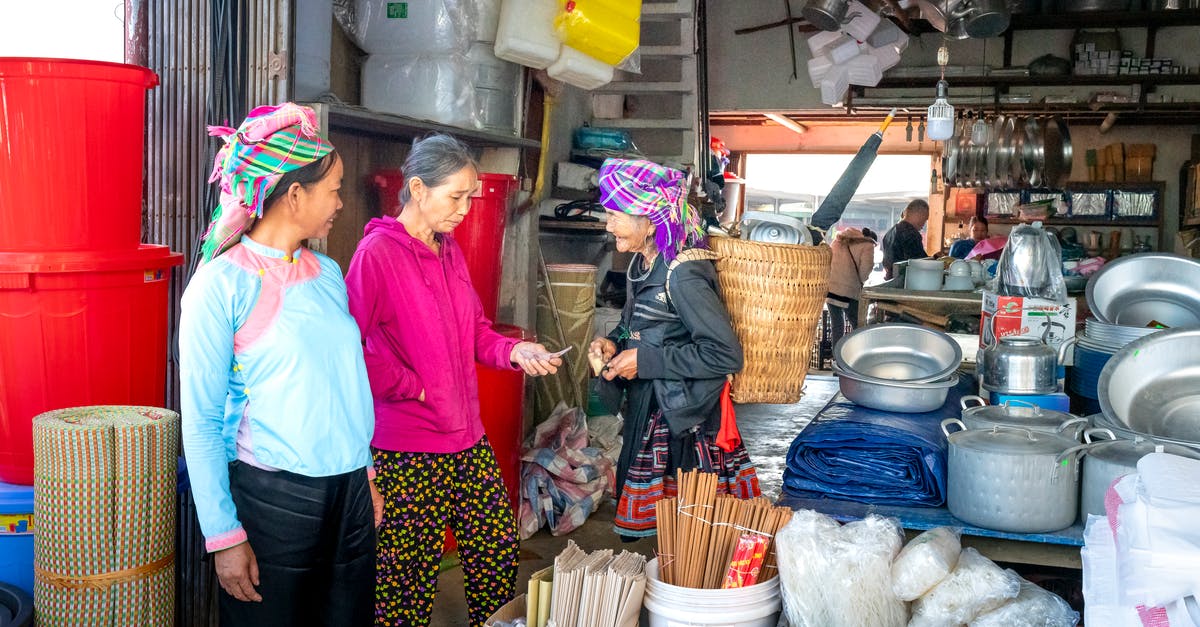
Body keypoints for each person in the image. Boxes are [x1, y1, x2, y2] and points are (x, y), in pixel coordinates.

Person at [344, 134, 562, 626]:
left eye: (470, 197)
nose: (465, 209)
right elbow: (348, 351)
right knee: (406, 581)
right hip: (407, 447)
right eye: (456, 196)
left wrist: (515, 351)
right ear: (418, 189)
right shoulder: (376, 254)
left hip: (466, 437)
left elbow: (475, 331)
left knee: (496, 550)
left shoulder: (448, 250)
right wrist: (413, 386)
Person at [180, 103, 379, 626]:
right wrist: (224, 535)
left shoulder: (327, 273)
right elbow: (200, 422)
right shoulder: (220, 285)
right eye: (334, 189)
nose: (341, 202)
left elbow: (345, 385)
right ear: (294, 195)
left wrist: (365, 474)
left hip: (350, 492)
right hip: (275, 499)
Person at [588, 158, 759, 540]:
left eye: (616, 215)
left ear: (650, 221)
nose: (608, 225)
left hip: (682, 422)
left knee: (686, 535)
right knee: (655, 534)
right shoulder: (642, 264)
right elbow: (636, 325)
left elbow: (725, 354)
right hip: (649, 405)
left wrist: (645, 360)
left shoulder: (683, 274)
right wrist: (613, 341)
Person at [826, 227, 877, 345]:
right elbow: (866, 269)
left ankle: (836, 353)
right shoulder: (868, 245)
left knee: (836, 325)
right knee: (858, 324)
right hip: (849, 290)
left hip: (831, 288)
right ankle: (857, 350)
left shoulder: (838, 240)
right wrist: (860, 280)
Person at [881, 198, 936, 280]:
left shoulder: (889, 233)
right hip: (904, 281)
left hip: (890, 280)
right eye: (925, 219)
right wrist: (936, 260)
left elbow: (886, 262)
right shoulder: (911, 234)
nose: (923, 224)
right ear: (919, 214)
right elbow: (918, 263)